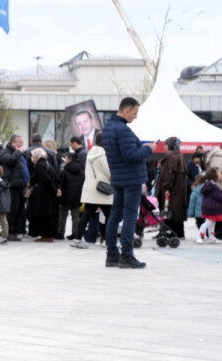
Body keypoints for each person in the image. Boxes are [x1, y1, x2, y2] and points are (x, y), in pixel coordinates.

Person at [101, 97, 152, 269]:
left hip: (117, 177)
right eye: (135, 113)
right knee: (130, 215)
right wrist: (147, 149)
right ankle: (127, 255)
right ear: (127, 110)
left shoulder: (108, 128)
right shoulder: (123, 130)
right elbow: (130, 155)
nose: (135, 117)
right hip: (131, 178)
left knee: (115, 214)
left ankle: (112, 254)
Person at [72, 130, 112, 248]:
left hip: (91, 189)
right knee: (110, 216)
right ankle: (107, 240)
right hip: (103, 189)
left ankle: (77, 239)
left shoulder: (90, 152)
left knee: (86, 215)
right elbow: (108, 171)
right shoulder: (103, 154)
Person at [156, 137, 188, 238]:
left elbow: (170, 174)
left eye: (166, 144)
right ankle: (178, 233)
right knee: (176, 211)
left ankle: (167, 232)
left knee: (168, 210)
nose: (164, 146)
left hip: (171, 190)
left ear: (170, 145)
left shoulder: (172, 156)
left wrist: (167, 187)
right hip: (178, 189)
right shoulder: (180, 155)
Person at [0, 135, 27, 240]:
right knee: (12, 210)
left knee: (19, 210)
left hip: (20, 185)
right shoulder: (5, 151)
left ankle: (15, 231)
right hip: (11, 185)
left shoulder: (19, 152)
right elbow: (10, 160)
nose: (21, 144)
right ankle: (10, 233)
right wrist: (18, 152)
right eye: (20, 142)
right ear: (13, 143)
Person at [27, 147, 58, 242]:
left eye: (33, 155)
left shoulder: (40, 165)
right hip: (48, 194)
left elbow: (45, 179)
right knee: (47, 215)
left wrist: (54, 190)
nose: (31, 157)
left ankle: (46, 236)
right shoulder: (47, 163)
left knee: (44, 215)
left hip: (44, 195)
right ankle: (47, 235)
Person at [58, 148, 84, 240]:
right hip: (77, 196)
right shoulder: (80, 171)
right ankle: (75, 233)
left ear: (69, 159)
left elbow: (60, 184)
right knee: (75, 216)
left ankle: (61, 233)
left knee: (63, 215)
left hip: (65, 196)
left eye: (66, 158)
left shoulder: (64, 171)